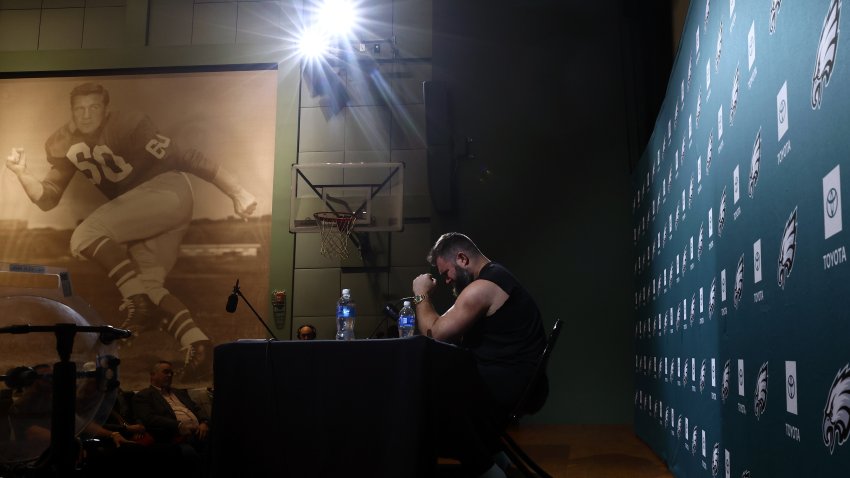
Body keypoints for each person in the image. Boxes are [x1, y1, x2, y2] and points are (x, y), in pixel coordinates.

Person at [4, 82, 258, 382]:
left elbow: (187, 156)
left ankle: (138, 305)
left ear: (105, 109)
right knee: (150, 287)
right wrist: (22, 173)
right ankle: (198, 344)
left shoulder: (128, 124)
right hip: (146, 210)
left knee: (85, 235)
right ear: (72, 111)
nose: (86, 114)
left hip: (166, 191)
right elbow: (47, 198)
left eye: (94, 107)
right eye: (80, 108)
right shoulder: (62, 143)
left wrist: (237, 191)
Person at [412, 232, 547, 478]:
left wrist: (420, 294)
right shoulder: (491, 279)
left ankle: (487, 470)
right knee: (443, 388)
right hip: (516, 380)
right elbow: (443, 324)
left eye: (446, 273)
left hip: (511, 384)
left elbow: (436, 333)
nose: (447, 281)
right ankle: (497, 461)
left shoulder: (483, 288)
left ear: (462, 259)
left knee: (431, 402)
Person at [132, 361, 210, 449]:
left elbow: (196, 408)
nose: (170, 375)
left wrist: (204, 422)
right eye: (166, 372)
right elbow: (149, 418)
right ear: (153, 375)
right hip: (175, 436)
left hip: (200, 430)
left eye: (171, 373)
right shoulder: (144, 395)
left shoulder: (180, 392)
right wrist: (179, 425)